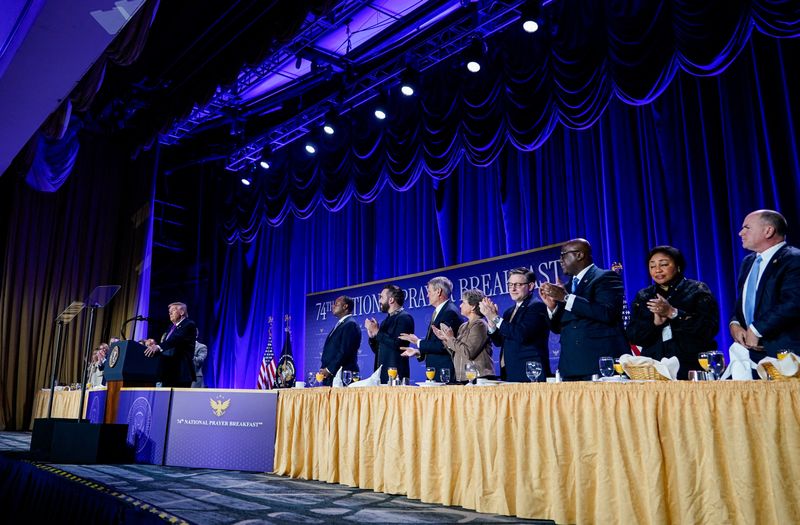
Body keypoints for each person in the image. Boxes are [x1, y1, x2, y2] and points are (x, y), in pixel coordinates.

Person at [539, 239, 628, 380]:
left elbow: (607, 313)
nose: (560, 260)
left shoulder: (606, 277)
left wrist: (566, 299)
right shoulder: (567, 288)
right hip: (570, 367)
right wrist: (552, 307)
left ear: (579, 255)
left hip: (598, 365)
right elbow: (557, 328)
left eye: (563, 255)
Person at [626, 246, 719, 379]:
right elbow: (633, 335)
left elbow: (709, 329)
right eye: (652, 266)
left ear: (678, 266)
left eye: (664, 264)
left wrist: (673, 313)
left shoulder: (697, 290)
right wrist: (655, 324)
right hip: (653, 368)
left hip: (690, 365)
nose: (657, 270)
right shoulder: (644, 295)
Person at [730, 209, 800, 361]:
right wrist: (735, 323)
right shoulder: (748, 262)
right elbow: (745, 302)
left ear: (768, 231)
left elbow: (793, 302)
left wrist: (756, 329)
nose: (740, 233)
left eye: (746, 228)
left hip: (785, 352)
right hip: (750, 352)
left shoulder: (794, 259)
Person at [479, 267, 550, 382]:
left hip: (529, 373)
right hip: (510, 371)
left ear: (530, 286)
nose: (513, 289)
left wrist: (495, 317)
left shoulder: (537, 307)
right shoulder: (509, 312)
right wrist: (490, 321)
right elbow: (499, 342)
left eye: (518, 284)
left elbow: (521, 334)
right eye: (510, 284)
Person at [398, 276, 463, 382]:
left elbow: (444, 345)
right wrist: (418, 352)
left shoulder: (449, 312)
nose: (427, 295)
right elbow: (435, 343)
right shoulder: (441, 311)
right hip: (436, 373)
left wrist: (417, 341)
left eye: (429, 291)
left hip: (444, 373)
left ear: (438, 291)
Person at [430, 288, 494, 382]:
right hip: (463, 378)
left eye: (463, 303)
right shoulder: (463, 326)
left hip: (479, 378)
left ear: (472, 307)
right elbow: (457, 352)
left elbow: (468, 352)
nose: (460, 305)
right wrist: (445, 339)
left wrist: (451, 338)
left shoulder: (480, 325)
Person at [366, 285, 414, 383]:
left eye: (382, 297)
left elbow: (398, 345)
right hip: (381, 376)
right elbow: (378, 350)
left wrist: (377, 332)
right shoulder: (385, 321)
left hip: (396, 376)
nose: (379, 301)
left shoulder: (405, 318)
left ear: (391, 300)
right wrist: (372, 337)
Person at [144, 302, 197, 387]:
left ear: (182, 312)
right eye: (169, 311)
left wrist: (158, 347)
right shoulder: (171, 327)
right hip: (168, 372)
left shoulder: (189, 324)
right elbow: (167, 345)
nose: (170, 313)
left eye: (173, 310)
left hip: (181, 372)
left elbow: (176, 339)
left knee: (178, 400)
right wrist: (153, 346)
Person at [318, 295, 361, 386]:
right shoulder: (342, 324)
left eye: (336, 304)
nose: (333, 306)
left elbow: (344, 351)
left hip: (344, 377)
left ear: (345, 306)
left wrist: (329, 369)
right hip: (332, 376)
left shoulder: (350, 324)